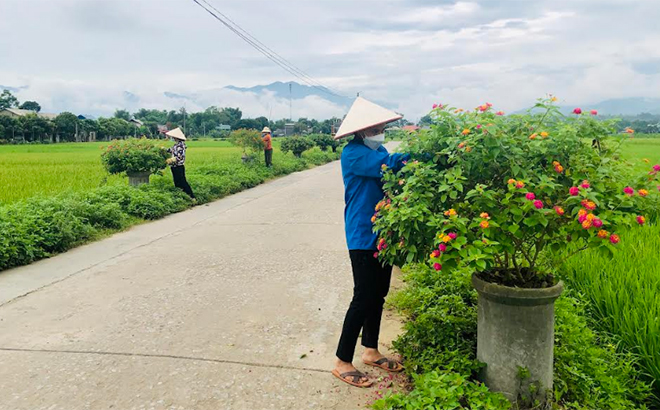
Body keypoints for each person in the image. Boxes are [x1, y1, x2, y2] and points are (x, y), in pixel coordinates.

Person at [332, 97, 409, 388]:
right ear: (362, 130)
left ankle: (371, 350)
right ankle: (342, 361)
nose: (380, 129)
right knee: (363, 295)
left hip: (383, 235)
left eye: (381, 125)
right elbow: (390, 165)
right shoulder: (353, 154)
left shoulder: (380, 150)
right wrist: (428, 156)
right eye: (376, 126)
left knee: (379, 293)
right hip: (363, 234)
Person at [165, 127, 195, 199]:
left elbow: (180, 157)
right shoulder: (176, 145)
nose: (172, 138)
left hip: (179, 166)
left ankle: (191, 197)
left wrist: (172, 160)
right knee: (177, 183)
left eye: (173, 137)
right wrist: (163, 149)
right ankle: (182, 197)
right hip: (174, 167)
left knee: (183, 182)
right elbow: (170, 150)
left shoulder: (181, 145)